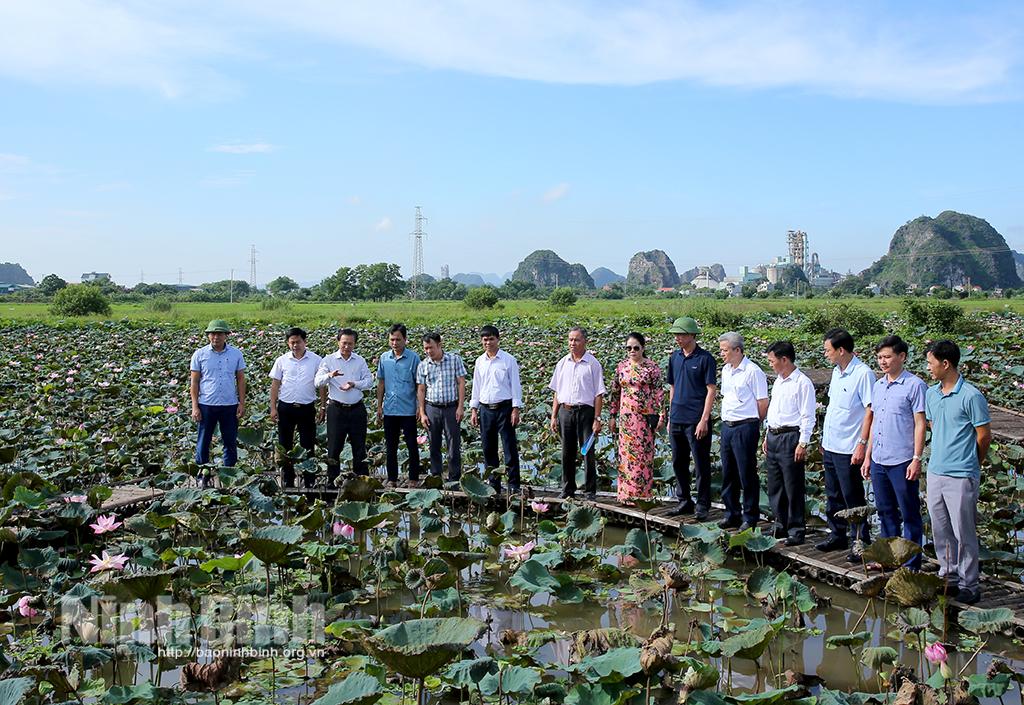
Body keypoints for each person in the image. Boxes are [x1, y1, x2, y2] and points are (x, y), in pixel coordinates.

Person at [925, 339, 991, 604]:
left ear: (945, 363)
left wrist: (973, 463)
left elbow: (983, 435)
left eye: (930, 363)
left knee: (964, 532)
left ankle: (969, 584)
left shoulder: (971, 396)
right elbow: (934, 425)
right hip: (935, 471)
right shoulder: (931, 394)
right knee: (940, 529)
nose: (927, 367)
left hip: (962, 473)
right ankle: (949, 576)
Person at [861, 335, 926, 569]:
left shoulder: (915, 385)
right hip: (879, 458)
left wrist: (916, 458)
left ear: (902, 356)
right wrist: (867, 457)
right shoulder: (878, 386)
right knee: (885, 511)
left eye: (887, 357)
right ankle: (888, 560)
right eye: (880, 357)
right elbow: (875, 422)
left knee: (909, 513)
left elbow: (920, 423)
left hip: (902, 460)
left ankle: (911, 565)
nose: (883, 361)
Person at [818, 328, 874, 559]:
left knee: (853, 496)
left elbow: (870, 410)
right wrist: (824, 438)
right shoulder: (836, 372)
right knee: (833, 494)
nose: (825, 354)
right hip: (831, 443)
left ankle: (860, 541)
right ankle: (837, 534)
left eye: (827, 350)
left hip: (849, 445)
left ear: (841, 350)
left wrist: (862, 443)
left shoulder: (863, 374)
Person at [763, 341, 815, 546]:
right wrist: (766, 434)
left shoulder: (802, 383)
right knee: (775, 484)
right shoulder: (778, 381)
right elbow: (773, 410)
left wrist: (803, 443)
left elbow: (808, 415)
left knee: (793, 485)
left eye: (772, 361)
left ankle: (796, 529)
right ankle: (780, 523)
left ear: (784, 359)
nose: (771, 365)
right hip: (774, 434)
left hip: (790, 436)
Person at [665, 316, 717, 519]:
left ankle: (703, 504)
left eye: (681, 334)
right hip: (677, 417)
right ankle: (684, 500)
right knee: (678, 462)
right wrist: (670, 416)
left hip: (696, 419)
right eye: (676, 334)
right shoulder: (674, 357)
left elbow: (711, 390)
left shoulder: (705, 358)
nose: (677, 338)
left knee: (701, 463)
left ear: (692, 335)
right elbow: (672, 387)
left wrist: (704, 419)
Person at [717, 331, 768, 530]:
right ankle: (731, 513)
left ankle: (750, 517)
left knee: (746, 473)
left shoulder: (753, 371)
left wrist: (754, 423)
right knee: (728, 472)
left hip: (745, 425)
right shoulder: (726, 370)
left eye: (725, 350)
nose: (722, 354)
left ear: (737, 350)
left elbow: (762, 403)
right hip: (727, 426)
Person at [549, 327, 606, 500]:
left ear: (585, 342)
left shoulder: (592, 364)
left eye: (577, 340)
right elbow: (557, 391)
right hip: (565, 411)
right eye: (570, 340)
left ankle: (590, 491)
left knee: (587, 452)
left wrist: (597, 418)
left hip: (586, 412)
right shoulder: (562, 363)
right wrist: (553, 416)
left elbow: (599, 394)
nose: (572, 343)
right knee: (567, 452)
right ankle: (567, 489)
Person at [608, 332, 664, 504]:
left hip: (645, 418)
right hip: (626, 419)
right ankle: (625, 495)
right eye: (629, 348)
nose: (632, 351)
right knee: (626, 457)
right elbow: (615, 392)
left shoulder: (651, 367)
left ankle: (643, 496)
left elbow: (659, 393)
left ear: (643, 348)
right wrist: (612, 416)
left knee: (643, 457)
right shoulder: (621, 367)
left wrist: (662, 415)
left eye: (636, 348)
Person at [269, 327, 325, 488]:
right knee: (285, 444)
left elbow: (322, 386)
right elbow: (275, 385)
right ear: (288, 343)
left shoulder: (316, 360)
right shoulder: (281, 360)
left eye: (298, 342)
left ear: (305, 342)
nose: (295, 345)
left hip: (307, 408)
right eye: (292, 342)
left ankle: (309, 480)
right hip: (285, 407)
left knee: (308, 444)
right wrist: (273, 407)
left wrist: (323, 406)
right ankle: (288, 479)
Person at [315, 328, 373, 485]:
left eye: (350, 344)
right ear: (338, 342)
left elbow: (369, 382)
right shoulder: (328, 360)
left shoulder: (360, 361)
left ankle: (361, 483)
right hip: (336, 409)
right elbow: (317, 382)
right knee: (334, 447)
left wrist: (354, 384)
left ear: (355, 344)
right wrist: (330, 375)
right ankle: (332, 482)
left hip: (357, 409)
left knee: (359, 447)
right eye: (344, 343)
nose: (347, 346)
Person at [469, 325, 523, 495]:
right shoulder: (479, 361)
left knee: (509, 447)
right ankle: (494, 484)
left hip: (504, 408)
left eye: (491, 339)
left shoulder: (508, 360)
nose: (488, 343)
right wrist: (473, 409)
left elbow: (515, 385)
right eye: (485, 339)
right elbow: (476, 386)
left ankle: (513, 484)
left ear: (498, 340)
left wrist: (515, 409)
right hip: (486, 409)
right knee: (488, 448)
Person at [190, 319, 246, 474]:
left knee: (230, 441)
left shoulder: (236, 354)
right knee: (203, 440)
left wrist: (242, 403)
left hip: (229, 404)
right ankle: (203, 475)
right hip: (206, 404)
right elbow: (194, 382)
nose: (216, 337)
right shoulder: (199, 354)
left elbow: (241, 379)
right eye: (213, 334)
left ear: (226, 335)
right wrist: (195, 406)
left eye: (220, 334)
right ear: (208, 335)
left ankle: (229, 474)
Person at [416, 332, 467, 482]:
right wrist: (422, 412)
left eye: (431, 347)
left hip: (451, 407)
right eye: (425, 348)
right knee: (434, 444)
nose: (428, 351)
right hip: (432, 407)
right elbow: (421, 389)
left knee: (453, 444)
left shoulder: (454, 360)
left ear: (439, 345)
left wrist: (460, 407)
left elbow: (461, 383)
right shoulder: (423, 365)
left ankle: (454, 479)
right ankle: (436, 477)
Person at [376, 324, 422, 487]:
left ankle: (413, 478)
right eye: (392, 340)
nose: (395, 343)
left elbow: (419, 384)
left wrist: (419, 406)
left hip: (408, 409)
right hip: (390, 409)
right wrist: (379, 406)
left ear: (405, 340)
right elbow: (381, 383)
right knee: (391, 446)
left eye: (398, 339)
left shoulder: (414, 358)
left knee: (411, 445)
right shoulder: (384, 358)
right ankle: (392, 479)